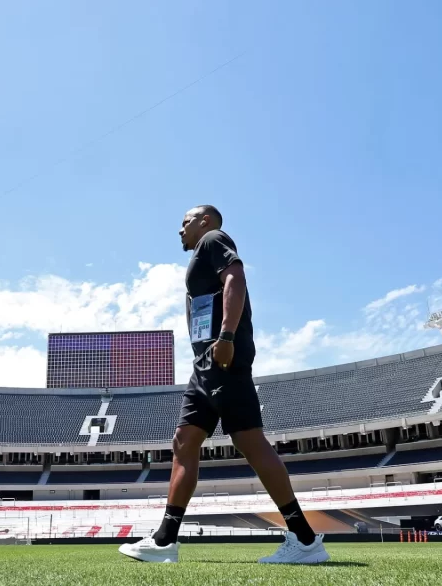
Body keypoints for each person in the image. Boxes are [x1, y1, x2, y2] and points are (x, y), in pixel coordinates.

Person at [119, 205, 329, 565]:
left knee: (249, 441)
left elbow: (236, 278)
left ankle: (305, 539)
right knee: (184, 442)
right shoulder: (201, 254)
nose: (180, 230)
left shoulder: (213, 240)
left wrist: (227, 336)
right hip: (204, 366)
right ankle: (165, 540)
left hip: (222, 359)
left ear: (205, 221)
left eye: (185, 222)